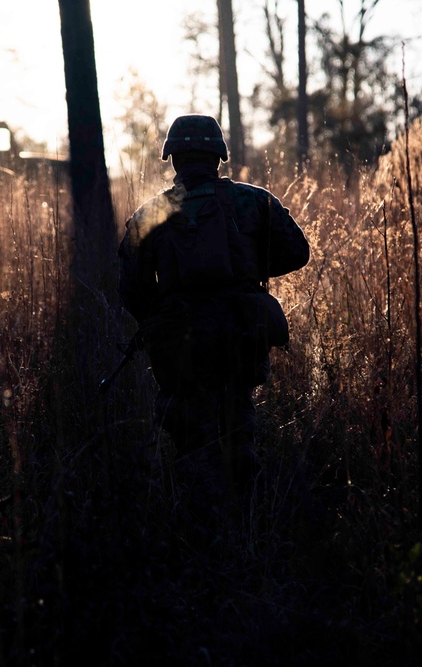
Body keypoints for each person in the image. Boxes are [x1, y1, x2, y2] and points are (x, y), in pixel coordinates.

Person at [117, 114, 310, 506]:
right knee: (237, 423)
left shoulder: (150, 214)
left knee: (188, 434)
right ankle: (245, 523)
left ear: (173, 159)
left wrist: (162, 317)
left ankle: (198, 525)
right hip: (241, 330)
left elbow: (132, 290)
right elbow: (298, 252)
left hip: (181, 341)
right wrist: (247, 270)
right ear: (218, 157)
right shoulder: (253, 200)